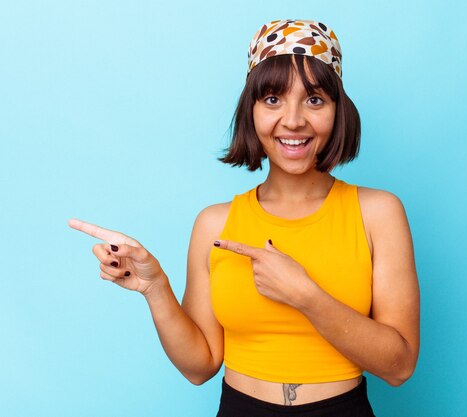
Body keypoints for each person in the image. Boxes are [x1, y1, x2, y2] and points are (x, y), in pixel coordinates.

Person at [69, 19, 420, 416]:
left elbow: (400, 366)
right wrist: (155, 288)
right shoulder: (214, 224)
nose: (293, 120)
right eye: (273, 99)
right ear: (250, 110)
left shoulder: (378, 213)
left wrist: (305, 296)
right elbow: (200, 366)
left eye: (314, 100)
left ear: (338, 111)